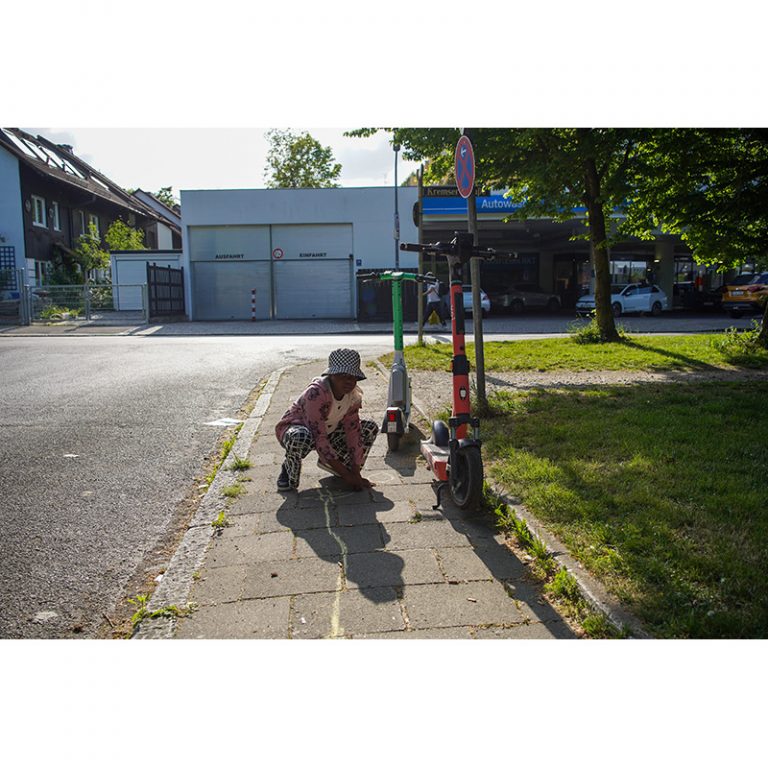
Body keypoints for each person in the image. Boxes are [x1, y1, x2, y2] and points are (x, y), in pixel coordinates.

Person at [275, 348, 378, 492]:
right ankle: (288, 466)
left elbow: (353, 432)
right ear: (332, 375)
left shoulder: (353, 396)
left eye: (352, 376)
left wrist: (355, 473)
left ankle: (334, 464)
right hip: (300, 430)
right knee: (300, 437)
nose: (348, 380)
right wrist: (346, 476)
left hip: (330, 430)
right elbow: (318, 436)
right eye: (343, 375)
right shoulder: (316, 393)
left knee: (369, 427)